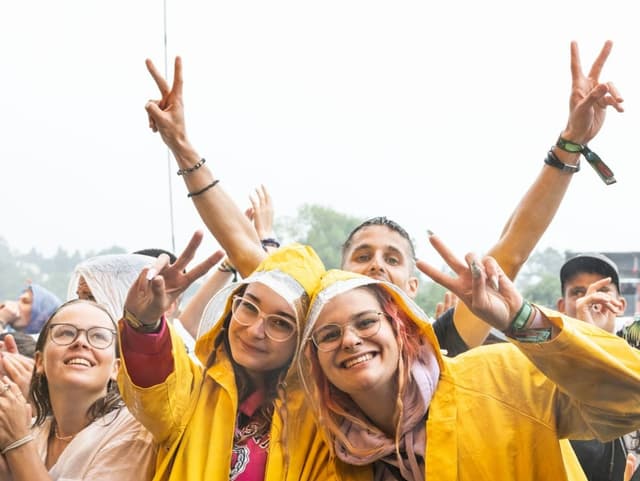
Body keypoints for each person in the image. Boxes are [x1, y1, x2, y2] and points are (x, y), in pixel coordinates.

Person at [142, 39, 623, 356]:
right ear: (336, 276)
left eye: (392, 259)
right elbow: (245, 250)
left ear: (414, 286)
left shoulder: (441, 346)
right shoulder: (314, 336)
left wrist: (569, 146)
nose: (376, 265)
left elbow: (513, 248)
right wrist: (182, 148)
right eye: (363, 255)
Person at [296, 233, 640, 481]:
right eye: (328, 334)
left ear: (401, 328)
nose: (350, 340)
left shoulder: (502, 376)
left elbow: (631, 399)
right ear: (314, 359)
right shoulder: (330, 454)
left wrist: (521, 320)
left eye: (367, 322)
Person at [117, 232, 359, 480]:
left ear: (303, 341)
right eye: (249, 306)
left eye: (280, 323)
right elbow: (155, 385)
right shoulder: (195, 391)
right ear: (233, 305)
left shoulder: (322, 427)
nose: (255, 330)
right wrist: (144, 323)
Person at [0, 299, 156, 480]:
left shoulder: (133, 432)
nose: (81, 342)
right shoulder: (32, 429)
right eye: (66, 333)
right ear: (40, 361)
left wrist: (18, 443)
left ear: (116, 369)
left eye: (98, 336)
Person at [557, 253, 640, 481]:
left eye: (601, 291)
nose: (590, 300)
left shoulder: (634, 363)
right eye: (578, 292)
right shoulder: (545, 371)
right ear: (562, 306)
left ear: (621, 305)